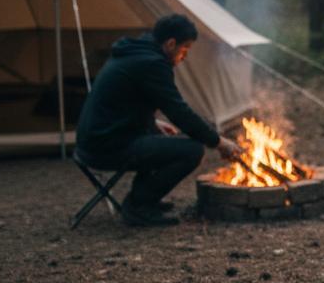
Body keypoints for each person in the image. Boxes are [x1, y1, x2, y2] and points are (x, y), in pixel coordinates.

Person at [75, 14, 241, 226]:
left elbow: (126, 101)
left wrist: (153, 123)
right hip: (104, 147)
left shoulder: (136, 52)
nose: (185, 56)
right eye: (185, 49)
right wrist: (218, 141)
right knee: (192, 150)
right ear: (171, 43)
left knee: (161, 137)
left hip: (94, 141)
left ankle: (146, 198)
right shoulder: (151, 63)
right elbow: (180, 112)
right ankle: (138, 206)